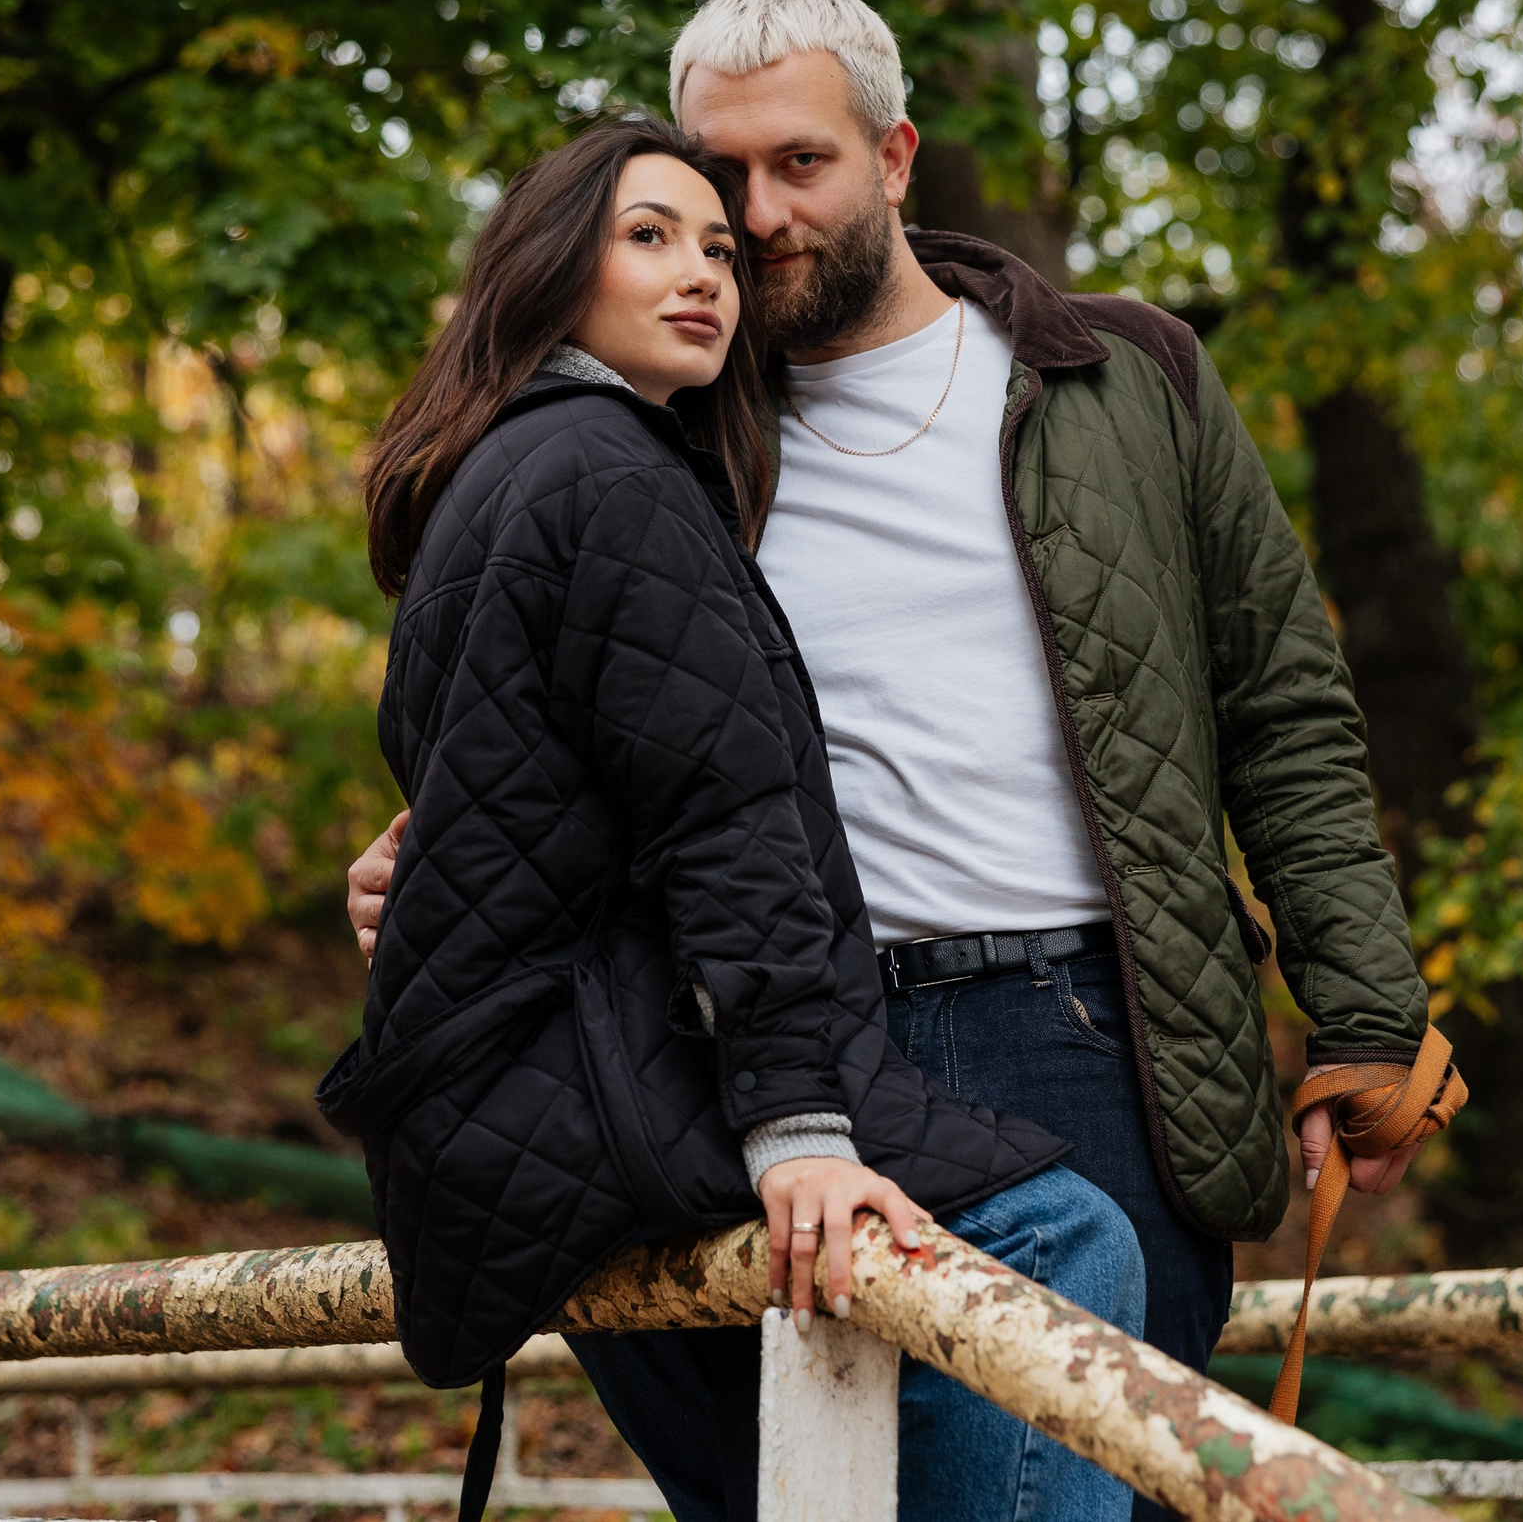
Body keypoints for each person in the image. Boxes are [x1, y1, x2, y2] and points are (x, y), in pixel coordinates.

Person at [347, 0, 1465, 1517]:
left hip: (1102, 1037)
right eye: (716, 178)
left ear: (893, 155)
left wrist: (1366, 1011)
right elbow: (582, 718)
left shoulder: (1121, 379)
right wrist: (443, 854)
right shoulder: (658, 422)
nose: (756, 216)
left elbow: (1281, 705)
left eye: (797, 164)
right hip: (773, 1059)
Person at [316, 114, 1143, 1522]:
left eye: (715, 247)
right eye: (649, 238)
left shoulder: (491, 476)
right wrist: (799, 1125)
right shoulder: (612, 473)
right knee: (1061, 1239)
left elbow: (518, 808)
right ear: (551, 267)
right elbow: (728, 813)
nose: (703, 271)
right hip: (600, 1099)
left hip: (515, 1138)